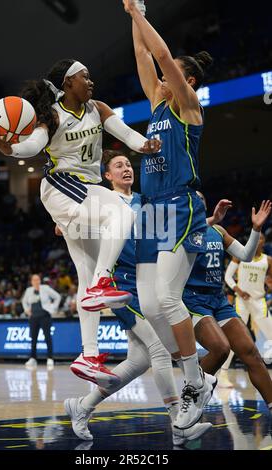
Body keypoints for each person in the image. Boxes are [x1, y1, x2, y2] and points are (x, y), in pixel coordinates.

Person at [0, 58, 161, 385]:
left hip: (83, 191)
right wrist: (9, 148)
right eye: (85, 77)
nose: (90, 81)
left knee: (85, 269)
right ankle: (103, 283)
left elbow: (124, 133)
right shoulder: (53, 115)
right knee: (122, 212)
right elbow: (33, 145)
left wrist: (145, 145)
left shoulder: (98, 108)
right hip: (63, 186)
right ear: (68, 84)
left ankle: (89, 354)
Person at [63, 151, 212, 445]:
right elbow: (67, 224)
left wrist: (204, 218)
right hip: (118, 283)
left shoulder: (144, 201)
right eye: (118, 166)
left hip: (144, 278)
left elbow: (166, 232)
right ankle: (178, 424)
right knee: (158, 349)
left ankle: (82, 406)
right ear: (107, 175)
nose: (126, 169)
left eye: (129, 165)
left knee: (139, 359)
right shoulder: (101, 201)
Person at [123, 0, 214, 430]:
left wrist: (142, 13)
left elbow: (159, 56)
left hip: (180, 205)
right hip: (154, 208)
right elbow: (144, 56)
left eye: (170, 75)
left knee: (167, 299)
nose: (160, 79)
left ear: (186, 80)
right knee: (154, 305)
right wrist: (131, 15)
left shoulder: (185, 105)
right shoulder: (157, 107)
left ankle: (195, 382)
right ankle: (194, 378)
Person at [182, 194, 272, 415]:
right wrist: (210, 220)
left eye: (202, 197)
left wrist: (256, 229)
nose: (199, 199)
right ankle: (188, 397)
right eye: (194, 197)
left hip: (218, 300)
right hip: (193, 300)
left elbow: (246, 255)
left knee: (250, 352)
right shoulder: (181, 231)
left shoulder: (219, 231)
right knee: (221, 349)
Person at [221, 232, 272, 385]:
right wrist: (238, 290)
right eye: (257, 237)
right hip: (241, 302)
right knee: (233, 339)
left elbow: (270, 280)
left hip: (258, 302)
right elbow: (228, 277)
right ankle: (223, 374)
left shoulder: (268, 260)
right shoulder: (240, 256)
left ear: (264, 242)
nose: (259, 240)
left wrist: (269, 287)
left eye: (262, 238)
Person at [22, 274, 61, 370]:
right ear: (31, 281)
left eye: (37, 279)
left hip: (45, 316)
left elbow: (57, 297)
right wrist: (26, 310)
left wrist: (53, 307)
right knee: (33, 339)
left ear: (40, 280)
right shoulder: (28, 290)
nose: (36, 281)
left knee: (47, 337)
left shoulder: (46, 288)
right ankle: (33, 358)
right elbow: (24, 301)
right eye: (34, 280)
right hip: (33, 317)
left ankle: (50, 358)